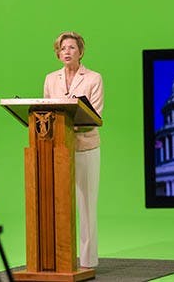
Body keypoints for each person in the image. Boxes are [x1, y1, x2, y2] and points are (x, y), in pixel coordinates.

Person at [43, 31, 104, 268]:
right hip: (59, 149)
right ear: (58, 54)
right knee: (58, 204)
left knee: (86, 204)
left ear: (80, 52)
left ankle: (88, 260)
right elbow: (46, 110)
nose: (67, 51)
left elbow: (95, 115)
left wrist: (69, 126)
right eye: (63, 48)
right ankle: (61, 258)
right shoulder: (50, 79)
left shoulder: (93, 78)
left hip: (86, 147)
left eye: (71, 47)